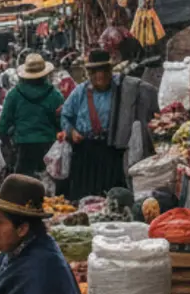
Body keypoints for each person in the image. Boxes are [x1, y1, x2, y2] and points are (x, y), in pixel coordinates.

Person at [59, 49, 158, 200]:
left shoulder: (122, 89)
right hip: (86, 151)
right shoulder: (80, 92)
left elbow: (145, 96)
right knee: (85, 195)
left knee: (112, 196)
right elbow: (66, 116)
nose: (100, 75)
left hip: (112, 151)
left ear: (110, 70)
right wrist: (71, 131)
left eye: (104, 70)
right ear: (89, 73)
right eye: (95, 71)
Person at [0, 53, 63, 177]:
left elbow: (4, 123)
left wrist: (3, 140)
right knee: (47, 182)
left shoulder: (14, 94)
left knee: (22, 183)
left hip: (22, 146)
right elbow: (61, 122)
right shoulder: (55, 95)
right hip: (48, 145)